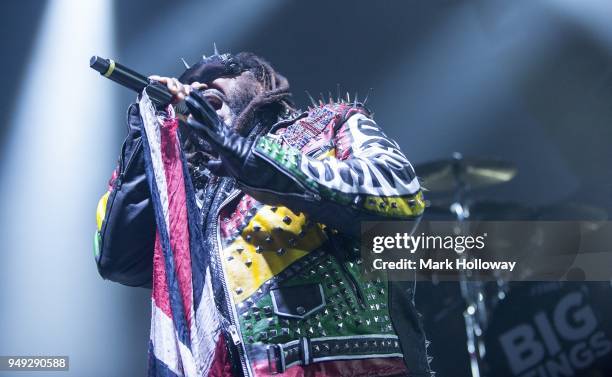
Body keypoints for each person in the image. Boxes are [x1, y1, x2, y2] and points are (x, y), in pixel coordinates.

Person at [94, 50, 430, 376]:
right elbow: (120, 261)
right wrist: (144, 134)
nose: (196, 86)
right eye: (189, 82)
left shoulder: (326, 126)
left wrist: (252, 161)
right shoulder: (190, 192)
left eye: (216, 71)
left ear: (261, 83)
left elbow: (399, 193)